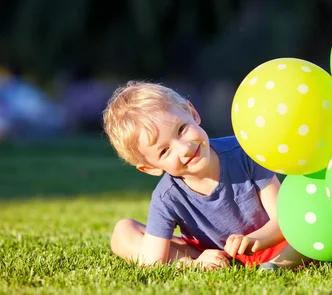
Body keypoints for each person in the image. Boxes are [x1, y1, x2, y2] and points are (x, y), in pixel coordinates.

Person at [102, 81, 309, 270]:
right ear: (150, 167)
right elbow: (151, 261)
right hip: (214, 256)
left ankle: (275, 266)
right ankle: (203, 265)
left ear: (193, 113)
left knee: (304, 226)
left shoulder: (243, 152)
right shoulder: (167, 197)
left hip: (272, 243)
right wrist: (191, 264)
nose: (184, 149)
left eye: (181, 129)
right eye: (164, 151)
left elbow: (284, 219)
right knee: (123, 230)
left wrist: (256, 240)